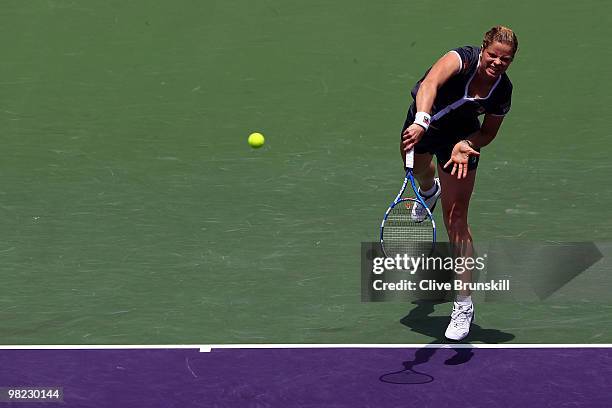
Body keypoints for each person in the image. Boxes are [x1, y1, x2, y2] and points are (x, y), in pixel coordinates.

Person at [400, 26, 518, 341]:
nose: (497, 62)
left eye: (505, 59)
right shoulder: (461, 59)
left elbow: (489, 133)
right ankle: (429, 191)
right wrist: (422, 120)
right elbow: (431, 83)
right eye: (493, 55)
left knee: (456, 221)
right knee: (419, 169)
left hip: (460, 144)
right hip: (422, 125)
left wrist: (468, 142)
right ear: (483, 50)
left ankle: (463, 305)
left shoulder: (501, 91)